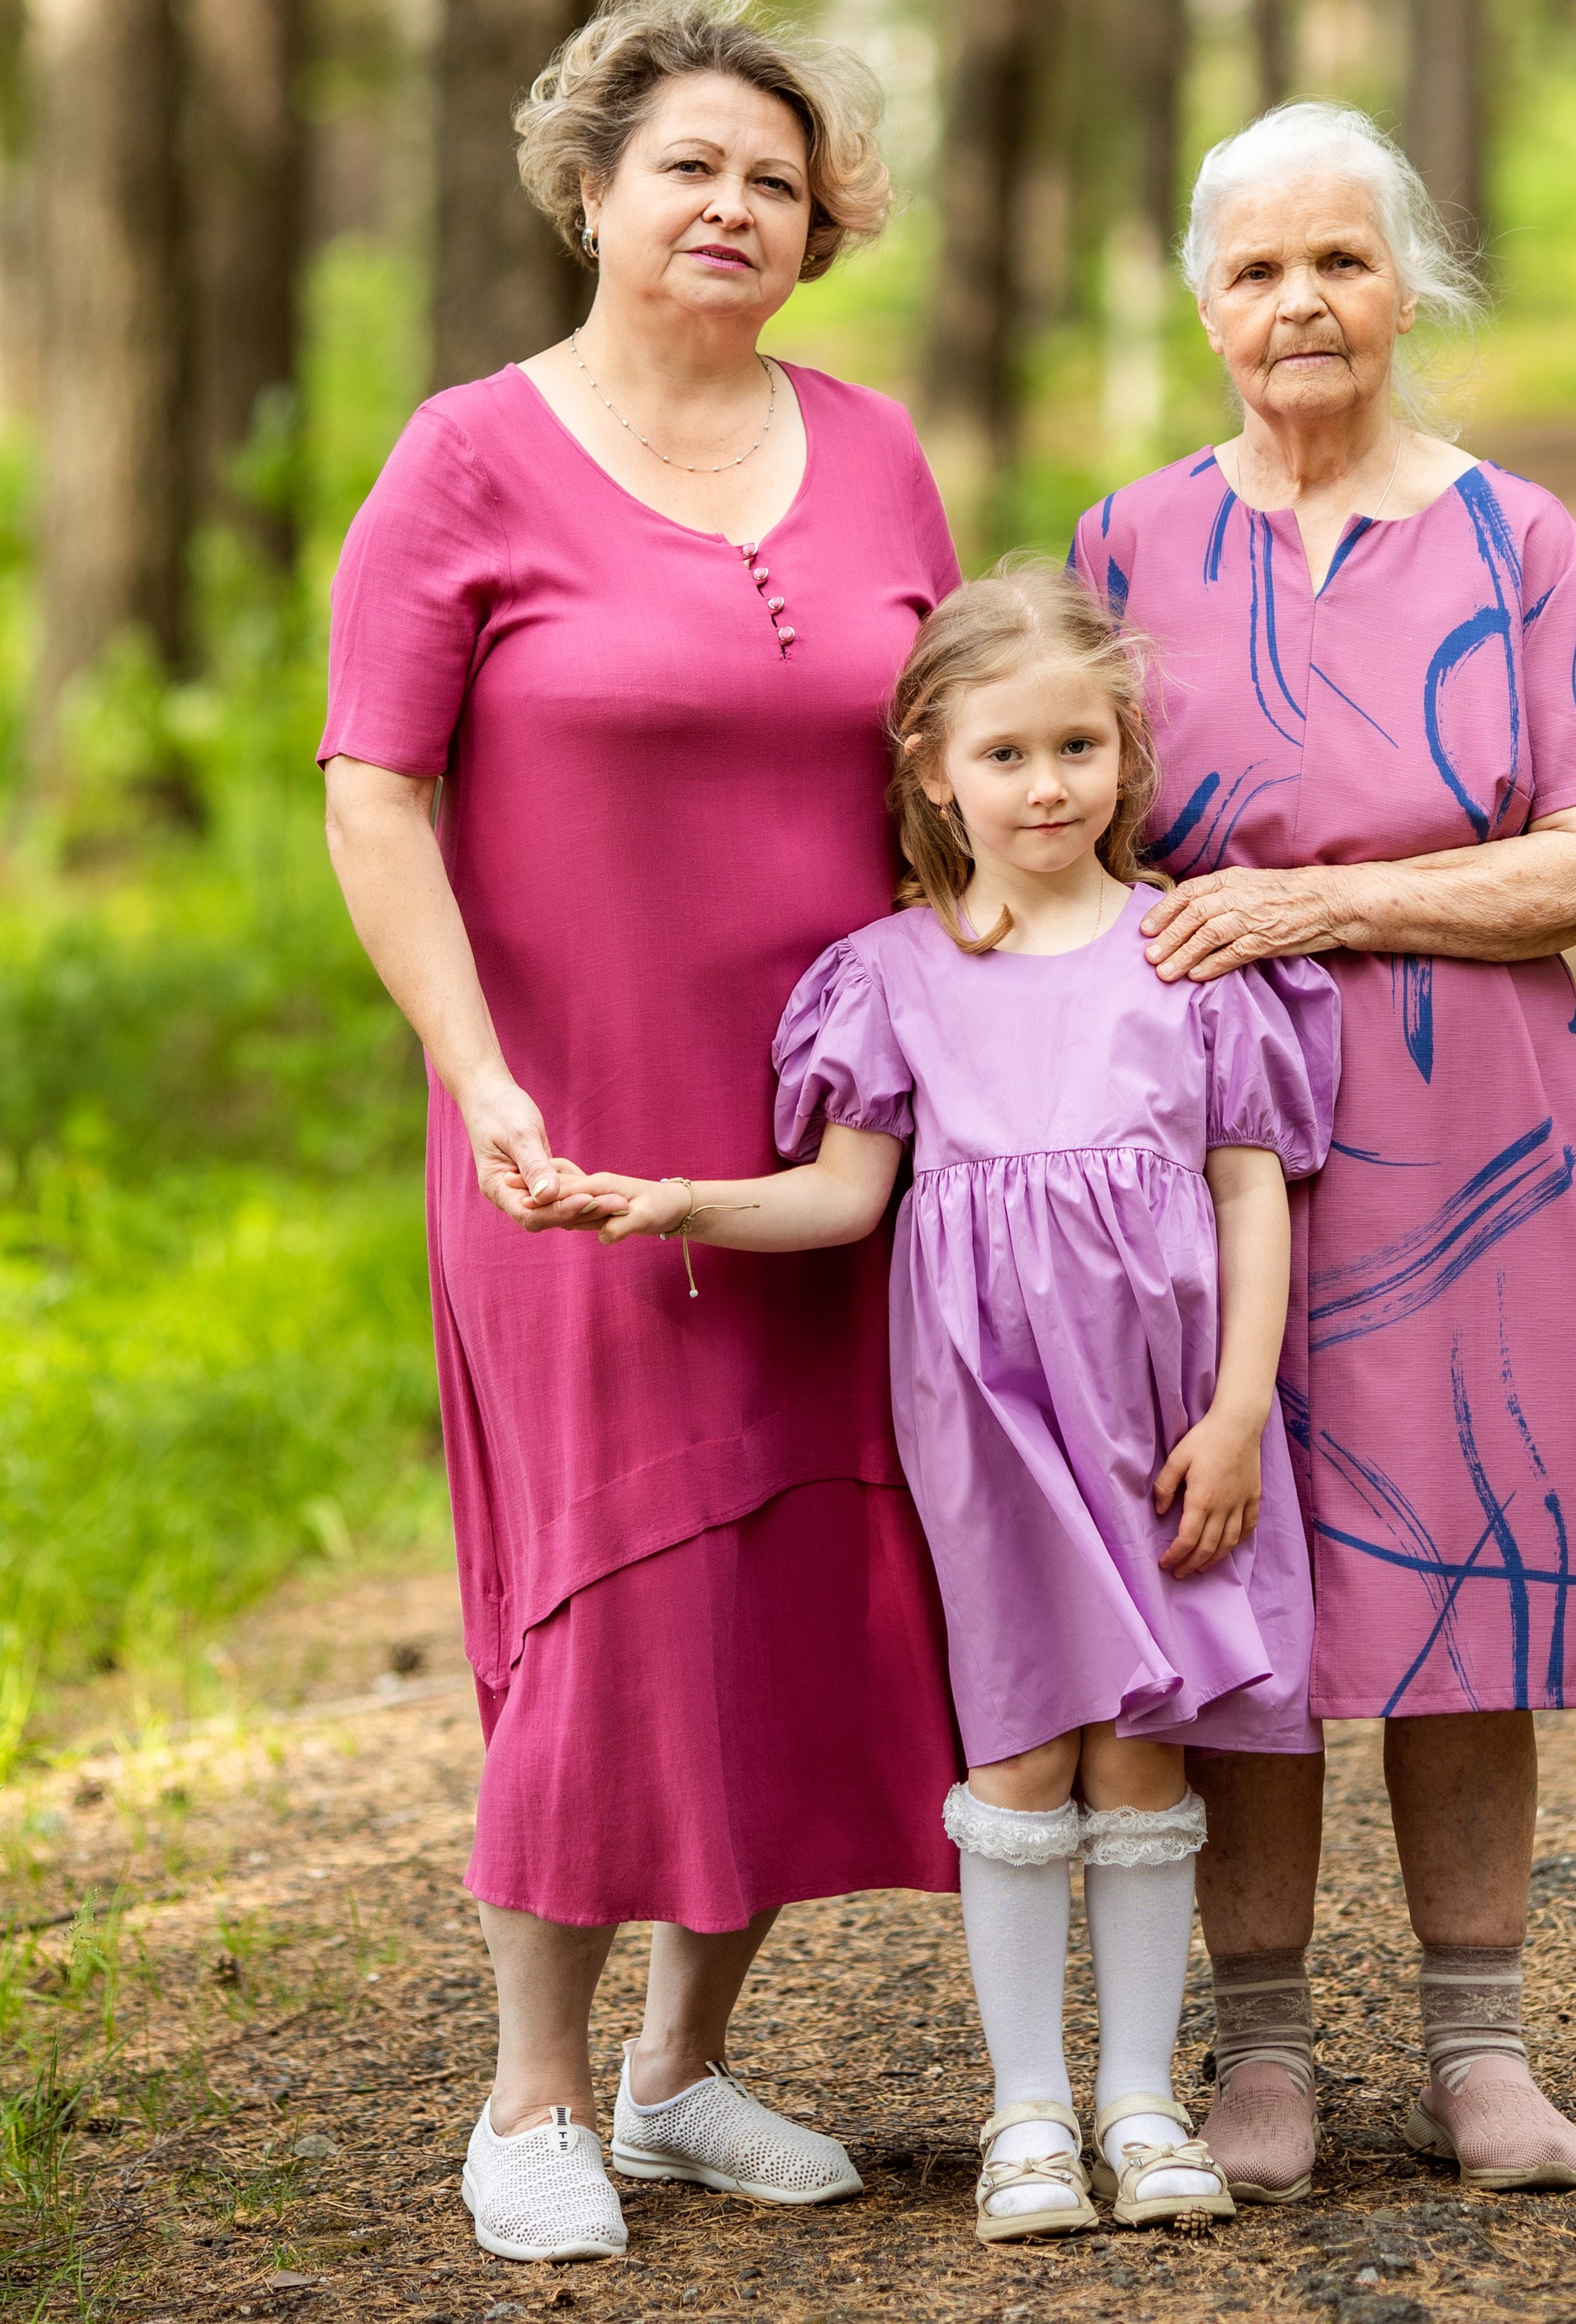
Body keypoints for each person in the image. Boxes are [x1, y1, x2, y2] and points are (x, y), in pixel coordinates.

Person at [319, 0, 964, 2269]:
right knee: (603, 1575)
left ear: (821, 232)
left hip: (837, 1138)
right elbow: (375, 796)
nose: (732, 203)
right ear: (589, 190)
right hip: (563, 1129)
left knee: (812, 1560)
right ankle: (536, 2091)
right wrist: (477, 1070)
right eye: (687, 162)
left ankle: (686, 2070)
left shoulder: (881, 451)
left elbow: (954, 766)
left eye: (775, 181)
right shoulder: (467, 455)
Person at [571, 564, 1339, 2246]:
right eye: (1006, 753)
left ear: (1125, 756)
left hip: (1161, 1417)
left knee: (1142, 1746)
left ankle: (1140, 2100)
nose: (1046, 783)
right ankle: (1028, 2113)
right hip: (986, 1422)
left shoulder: (1189, 949)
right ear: (932, 766)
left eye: (1078, 745)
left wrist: (1235, 1412)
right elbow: (847, 1200)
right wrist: (675, 1202)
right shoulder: (891, 978)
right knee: (1018, 1739)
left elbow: (1247, 1193)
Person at [1071, 99, 1576, 2203]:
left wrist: (1326, 904)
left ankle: (1482, 2047)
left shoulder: (1523, 541)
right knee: (1236, 1583)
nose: (1300, 302)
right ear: (1206, 310)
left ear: (1409, 286)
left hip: (1472, 1120)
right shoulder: (1125, 542)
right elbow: (1068, 837)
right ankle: (1258, 2061)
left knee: (1466, 1563)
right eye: (1255, 270)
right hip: (1209, 1132)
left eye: (1339, 260)